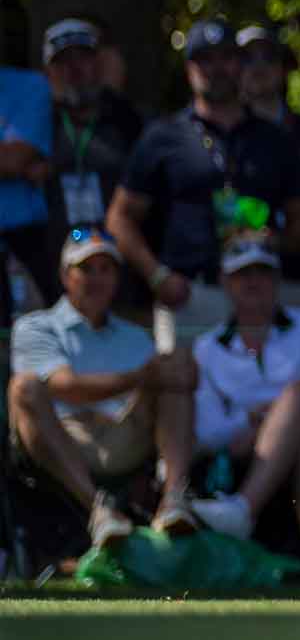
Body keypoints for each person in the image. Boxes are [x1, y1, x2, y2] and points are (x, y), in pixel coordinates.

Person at [106, 17, 300, 337]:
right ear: (189, 68)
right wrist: (157, 276)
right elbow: (120, 218)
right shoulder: (163, 135)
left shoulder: (274, 139)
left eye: (226, 58)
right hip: (190, 296)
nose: (216, 69)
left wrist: (276, 240)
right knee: (182, 372)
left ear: (240, 64)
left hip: (260, 294)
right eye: (204, 59)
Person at [187, 234, 300, 588]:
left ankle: (243, 508)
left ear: (277, 279)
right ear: (225, 281)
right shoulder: (206, 348)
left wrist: (269, 417)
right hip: (261, 444)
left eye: (263, 272)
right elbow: (208, 431)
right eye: (243, 274)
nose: (253, 282)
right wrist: (253, 421)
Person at [8, 228, 199, 548]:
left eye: (106, 269)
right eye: (86, 269)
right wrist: (139, 377)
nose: (96, 278)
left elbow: (172, 384)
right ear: (65, 276)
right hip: (64, 439)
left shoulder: (136, 336)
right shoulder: (34, 326)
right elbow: (65, 387)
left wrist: (186, 371)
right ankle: (98, 508)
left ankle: (173, 500)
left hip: (127, 434)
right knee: (24, 387)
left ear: (117, 278)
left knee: (175, 366)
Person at [41, 19, 145, 308]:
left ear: (99, 65)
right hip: (54, 272)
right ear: (48, 72)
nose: (74, 69)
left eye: (83, 58)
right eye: (63, 62)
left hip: (121, 271)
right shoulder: (38, 125)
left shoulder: (128, 122)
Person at [236, 23, 300, 311]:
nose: (258, 67)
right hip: (237, 282)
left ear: (284, 68)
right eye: (247, 58)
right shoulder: (219, 135)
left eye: (268, 57)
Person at [0, 50, 54, 324]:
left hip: (27, 241)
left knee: (41, 336)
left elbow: (14, 159)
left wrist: (16, 162)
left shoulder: (30, 85)